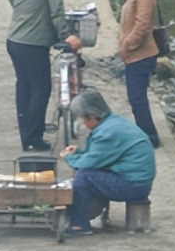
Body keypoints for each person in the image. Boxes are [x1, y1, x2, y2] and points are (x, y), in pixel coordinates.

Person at [5, 0, 81, 152]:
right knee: (41, 88)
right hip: (32, 44)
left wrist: (30, 15)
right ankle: (34, 137)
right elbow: (57, 12)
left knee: (24, 86)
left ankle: (27, 136)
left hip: (14, 40)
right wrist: (67, 36)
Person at [58, 89, 156, 237]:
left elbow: (88, 163)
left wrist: (69, 157)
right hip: (134, 179)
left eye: (82, 119)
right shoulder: (112, 122)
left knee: (83, 176)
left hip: (134, 185)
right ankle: (89, 216)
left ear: (91, 117)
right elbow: (99, 155)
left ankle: (79, 224)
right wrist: (78, 152)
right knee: (86, 175)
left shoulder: (107, 133)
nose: (82, 123)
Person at [118, 0, 161, 148]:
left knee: (137, 98)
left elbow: (143, 24)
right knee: (136, 97)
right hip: (134, 54)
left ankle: (149, 137)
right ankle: (145, 134)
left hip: (140, 54)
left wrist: (128, 44)